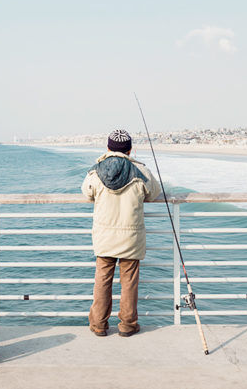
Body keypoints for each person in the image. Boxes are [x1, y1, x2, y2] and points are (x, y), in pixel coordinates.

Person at [81, 129, 162, 337]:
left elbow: (86, 192)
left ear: (108, 148)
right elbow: (153, 193)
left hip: (104, 237)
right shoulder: (140, 171)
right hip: (131, 237)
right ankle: (127, 325)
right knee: (129, 282)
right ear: (130, 150)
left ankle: (99, 324)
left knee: (102, 279)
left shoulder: (96, 171)